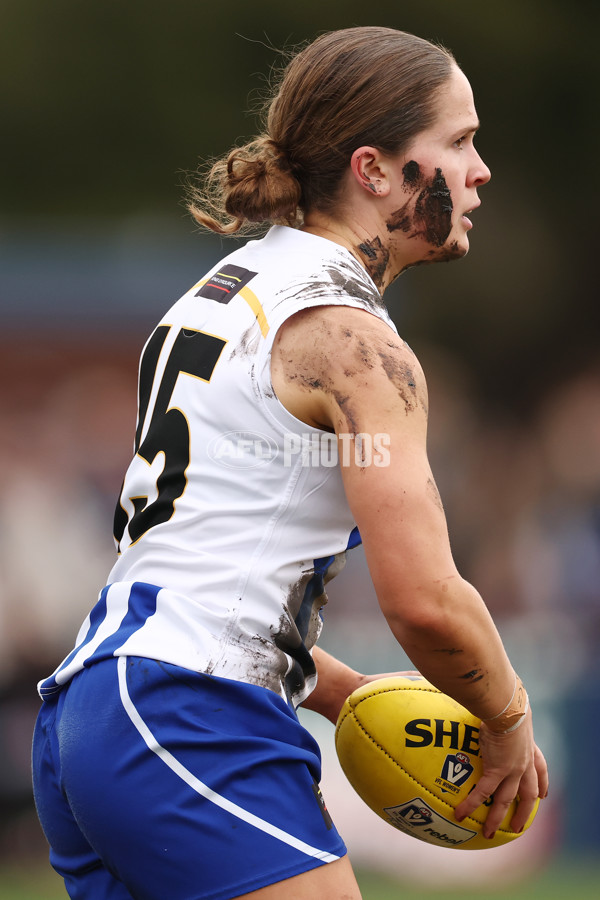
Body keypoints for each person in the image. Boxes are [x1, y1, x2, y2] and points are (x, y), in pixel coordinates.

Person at [32, 25, 548, 900]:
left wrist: (337, 688)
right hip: (188, 717)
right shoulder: (353, 343)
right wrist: (507, 716)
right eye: (458, 142)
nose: (480, 169)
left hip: (100, 709)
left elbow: (206, 555)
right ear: (375, 169)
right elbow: (424, 600)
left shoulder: (228, 289)